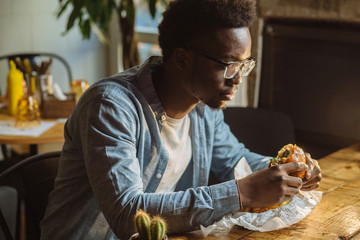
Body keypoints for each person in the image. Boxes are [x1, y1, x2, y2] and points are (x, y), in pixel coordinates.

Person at [40, 0, 321, 239]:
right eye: (228, 65)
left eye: (244, 64)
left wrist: (288, 171)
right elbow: (128, 214)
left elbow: (236, 161)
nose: (237, 78)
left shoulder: (203, 107)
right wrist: (240, 193)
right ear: (182, 59)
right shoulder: (110, 105)